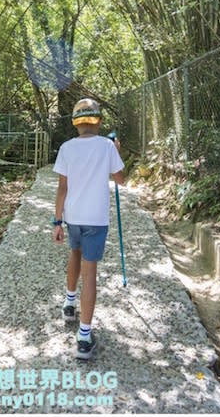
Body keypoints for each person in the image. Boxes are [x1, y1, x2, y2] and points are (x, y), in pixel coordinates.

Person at [52, 98, 125, 359]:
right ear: (99, 122)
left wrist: (57, 221)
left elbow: (62, 188)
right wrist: (117, 150)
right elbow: (121, 179)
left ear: (75, 124)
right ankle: (83, 337)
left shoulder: (66, 148)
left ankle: (69, 303)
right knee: (90, 271)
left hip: (73, 217)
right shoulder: (107, 146)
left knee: (75, 254)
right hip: (96, 219)